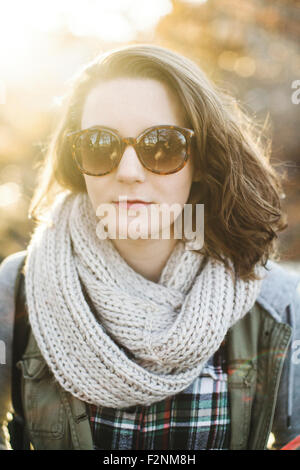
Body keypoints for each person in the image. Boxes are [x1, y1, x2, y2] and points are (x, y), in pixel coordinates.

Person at [0, 44, 299, 451]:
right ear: (77, 159)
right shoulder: (16, 288)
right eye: (100, 144)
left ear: (202, 160)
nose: (127, 172)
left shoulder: (274, 303)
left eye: (162, 145)